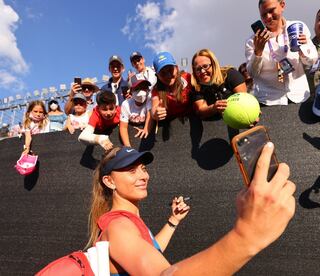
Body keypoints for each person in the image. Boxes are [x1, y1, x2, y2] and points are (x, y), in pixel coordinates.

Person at [86, 143, 295, 275]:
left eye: (143, 168)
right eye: (131, 171)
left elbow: (150, 251)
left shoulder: (126, 222)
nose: (143, 176)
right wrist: (248, 235)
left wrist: (173, 221)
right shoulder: (119, 226)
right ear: (109, 182)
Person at [245, 0, 318, 106]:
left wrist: (303, 47)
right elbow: (252, 73)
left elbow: (311, 62)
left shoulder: (297, 27)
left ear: (282, 5)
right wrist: (258, 52)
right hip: (268, 100)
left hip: (299, 96)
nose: (268, 17)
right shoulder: (252, 41)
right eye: (263, 15)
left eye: (271, 11)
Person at [190, 48, 247, 119]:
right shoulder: (195, 86)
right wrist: (213, 108)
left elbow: (245, 101)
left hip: (237, 117)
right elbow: (201, 109)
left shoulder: (231, 74)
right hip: (214, 125)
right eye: (198, 69)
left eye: (205, 66)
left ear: (214, 64)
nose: (202, 71)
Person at [151, 51, 192, 121]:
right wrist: (155, 113)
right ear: (157, 76)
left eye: (170, 70)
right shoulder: (156, 90)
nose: (168, 75)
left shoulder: (188, 78)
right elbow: (154, 106)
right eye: (162, 73)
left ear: (177, 68)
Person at [120, 79, 153, 147]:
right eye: (137, 88)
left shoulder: (149, 100)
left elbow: (150, 115)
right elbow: (123, 127)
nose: (141, 92)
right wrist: (128, 147)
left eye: (144, 88)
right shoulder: (126, 104)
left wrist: (146, 129)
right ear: (131, 91)